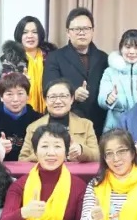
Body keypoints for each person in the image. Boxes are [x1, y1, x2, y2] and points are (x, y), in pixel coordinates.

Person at [44, 8, 109, 136]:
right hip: (66, 124)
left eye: (86, 29)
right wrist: (72, 94)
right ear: (68, 32)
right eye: (76, 29)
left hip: (99, 123)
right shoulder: (55, 57)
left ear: (92, 31)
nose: (81, 33)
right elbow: (48, 88)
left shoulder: (103, 58)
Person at [19, 79, 100, 163]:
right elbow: (22, 161)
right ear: (45, 100)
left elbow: (97, 157)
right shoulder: (33, 127)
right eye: (53, 97)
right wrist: (40, 154)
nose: (58, 101)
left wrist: (81, 150)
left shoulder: (86, 125)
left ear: (72, 99)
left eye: (63, 96)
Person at [99, 29, 137, 132]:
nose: (132, 52)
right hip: (116, 126)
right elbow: (102, 98)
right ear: (121, 49)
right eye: (127, 47)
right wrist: (109, 98)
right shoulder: (110, 72)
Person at [1, 15, 56, 115]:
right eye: (25, 32)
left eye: (34, 32)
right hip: (20, 111)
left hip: (50, 110)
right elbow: (5, 86)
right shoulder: (11, 58)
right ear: (19, 35)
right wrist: (21, 80)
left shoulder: (52, 56)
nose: (30, 36)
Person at [0, 72, 39, 161]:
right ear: (1, 97)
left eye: (20, 94)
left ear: (28, 96)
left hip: (27, 166)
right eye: (9, 94)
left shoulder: (37, 119)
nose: (15, 99)